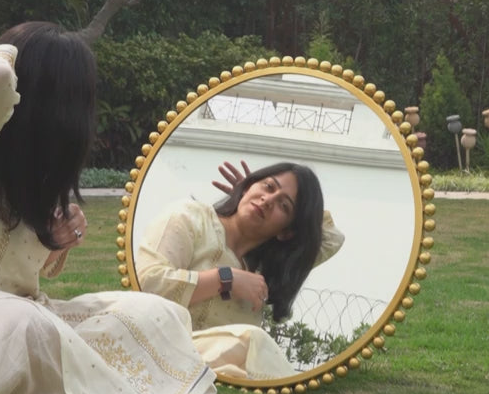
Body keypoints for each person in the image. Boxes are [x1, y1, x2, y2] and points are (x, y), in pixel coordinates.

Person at [0, 23, 243, 394]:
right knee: (21, 327)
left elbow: (16, 277)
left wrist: (52, 239)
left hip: (26, 318)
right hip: (1, 329)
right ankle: (95, 387)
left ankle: (95, 390)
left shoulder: (27, 176)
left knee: (155, 313)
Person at [136, 161, 345, 378]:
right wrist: (226, 279)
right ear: (248, 186)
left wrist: (301, 214)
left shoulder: (262, 271)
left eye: (284, 206)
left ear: (286, 233)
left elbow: (333, 238)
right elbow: (147, 283)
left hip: (216, 370)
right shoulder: (191, 218)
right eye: (268, 186)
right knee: (253, 340)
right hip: (162, 349)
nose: (268, 200)